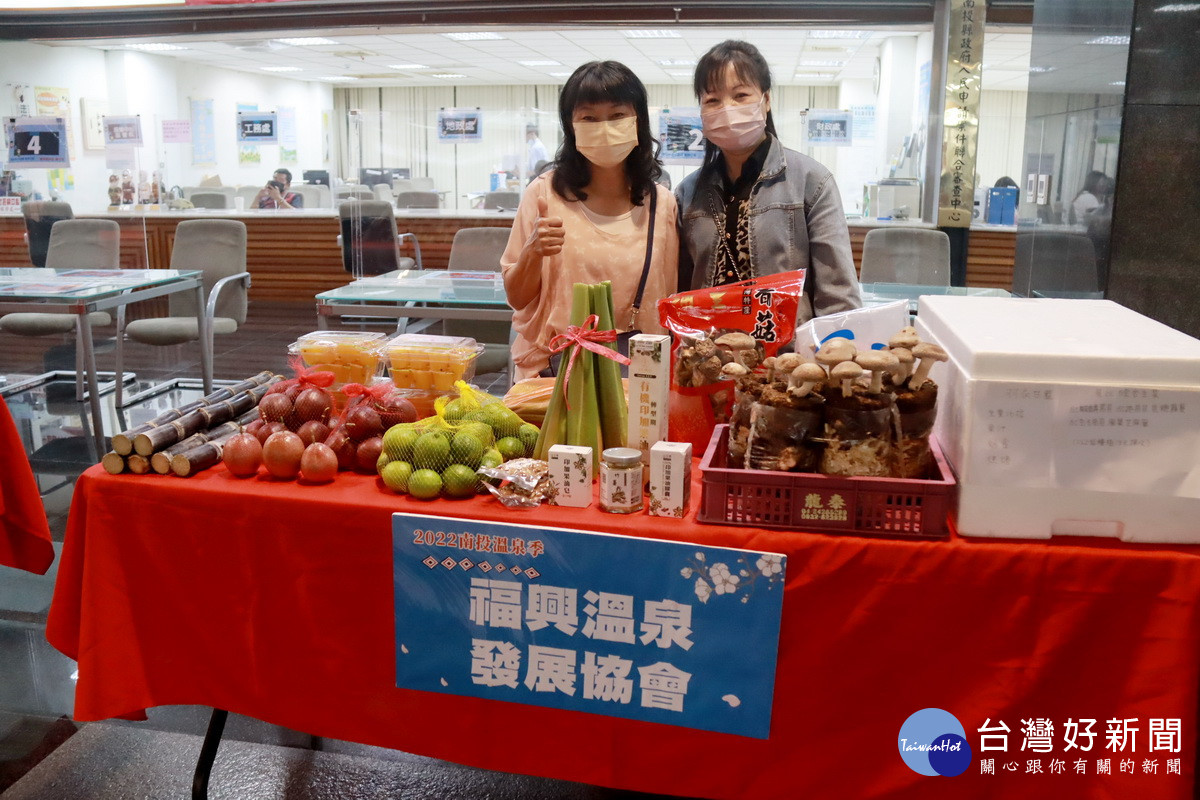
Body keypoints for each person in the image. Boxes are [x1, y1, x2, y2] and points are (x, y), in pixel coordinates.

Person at [501, 61, 679, 380]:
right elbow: (516, 297)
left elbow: (668, 300)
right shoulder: (544, 195)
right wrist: (533, 252)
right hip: (556, 372)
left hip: (639, 373)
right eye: (589, 117)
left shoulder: (661, 204)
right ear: (571, 125)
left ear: (638, 120)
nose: (605, 126)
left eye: (618, 114)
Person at [675, 40, 860, 325]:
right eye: (713, 100)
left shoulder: (811, 181)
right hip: (707, 360)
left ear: (766, 99)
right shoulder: (687, 193)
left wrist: (835, 357)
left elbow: (839, 296)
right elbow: (680, 292)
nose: (727, 108)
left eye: (740, 95)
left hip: (785, 361)